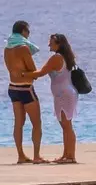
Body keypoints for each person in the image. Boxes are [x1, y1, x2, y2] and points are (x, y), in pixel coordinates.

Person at [29, 33, 81, 163]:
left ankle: (71, 156)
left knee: (67, 125)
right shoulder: (64, 57)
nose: (48, 45)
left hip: (65, 94)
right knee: (65, 125)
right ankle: (66, 155)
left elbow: (41, 72)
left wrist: (23, 74)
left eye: (51, 43)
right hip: (63, 94)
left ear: (58, 44)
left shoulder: (57, 58)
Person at [4, 21, 44, 164]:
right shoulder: (23, 48)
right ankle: (36, 156)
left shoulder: (7, 49)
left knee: (18, 123)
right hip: (26, 88)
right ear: (23, 32)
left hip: (13, 87)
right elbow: (33, 71)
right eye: (28, 32)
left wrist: (20, 74)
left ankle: (21, 155)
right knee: (36, 123)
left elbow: (12, 70)